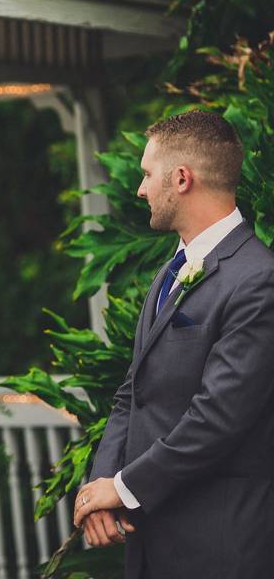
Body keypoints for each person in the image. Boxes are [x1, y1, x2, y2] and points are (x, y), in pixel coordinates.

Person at [73, 111, 274, 578]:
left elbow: (218, 418)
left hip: (218, 545)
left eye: (147, 174)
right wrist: (102, 488)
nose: (141, 188)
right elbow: (132, 394)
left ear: (182, 178)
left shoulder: (258, 280)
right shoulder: (171, 269)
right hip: (150, 537)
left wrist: (123, 489)